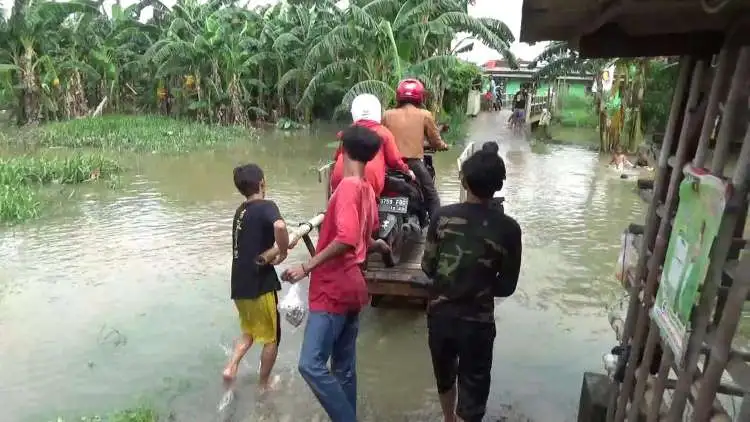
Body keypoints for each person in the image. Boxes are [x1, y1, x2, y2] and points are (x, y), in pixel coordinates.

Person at [282, 125, 384, 422]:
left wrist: (305, 267)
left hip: (334, 286)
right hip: (354, 287)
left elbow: (348, 238)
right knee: (344, 368)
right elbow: (369, 235)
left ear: (343, 153)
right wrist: (384, 250)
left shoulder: (349, 187)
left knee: (310, 365)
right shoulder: (367, 189)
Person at [421, 143, 522, 422]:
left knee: (445, 377)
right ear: (499, 186)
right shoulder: (509, 229)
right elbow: (508, 285)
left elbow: (427, 267)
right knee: (474, 389)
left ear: (464, 181)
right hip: (478, 323)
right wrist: (481, 285)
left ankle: (447, 419)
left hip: (440, 316)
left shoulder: (441, 218)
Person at [223, 164, 289, 391]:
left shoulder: (240, 211)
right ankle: (264, 384)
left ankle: (231, 367)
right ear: (262, 183)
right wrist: (283, 249)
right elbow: (280, 226)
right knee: (272, 338)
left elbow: (253, 247)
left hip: (238, 285)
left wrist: (274, 251)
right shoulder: (267, 206)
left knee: (249, 331)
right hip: (259, 285)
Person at [382, 79, 449, 221]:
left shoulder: (386, 114)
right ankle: (435, 230)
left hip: (388, 164)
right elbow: (435, 141)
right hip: (414, 164)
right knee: (432, 196)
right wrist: (443, 146)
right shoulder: (425, 115)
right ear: (420, 96)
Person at [330, 93, 414, 196]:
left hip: (338, 181)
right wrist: (406, 170)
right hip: (369, 184)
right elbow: (394, 161)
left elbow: (336, 157)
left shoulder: (346, 133)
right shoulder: (384, 133)